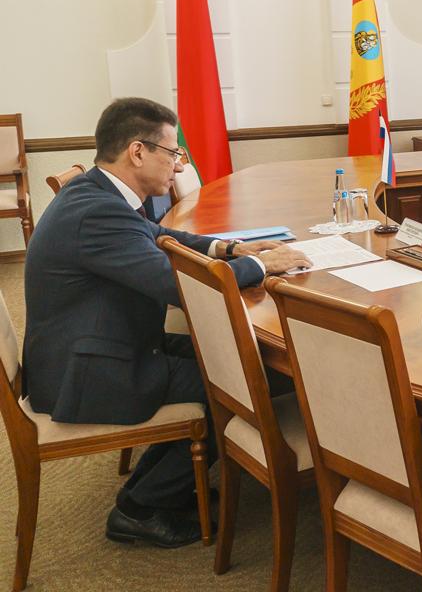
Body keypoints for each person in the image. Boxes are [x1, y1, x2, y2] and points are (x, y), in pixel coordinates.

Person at [23, 97, 311, 547]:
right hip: (88, 372)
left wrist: (228, 249)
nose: (179, 166)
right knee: (233, 384)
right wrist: (262, 266)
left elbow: (157, 235)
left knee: (233, 359)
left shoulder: (99, 192)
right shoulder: (97, 211)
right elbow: (178, 287)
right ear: (138, 152)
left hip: (99, 344)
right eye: (173, 153)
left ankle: (152, 488)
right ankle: (140, 509)